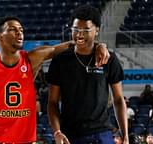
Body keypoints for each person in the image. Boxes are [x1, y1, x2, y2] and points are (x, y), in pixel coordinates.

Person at [0, 16, 110, 144]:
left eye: (21, 30)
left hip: (24, 140)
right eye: (12, 30)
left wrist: (98, 44)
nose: (19, 33)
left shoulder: (32, 59)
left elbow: (71, 45)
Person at [47, 4, 128, 144]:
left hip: (102, 134)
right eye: (76, 29)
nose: (79, 34)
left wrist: (125, 134)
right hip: (70, 135)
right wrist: (57, 131)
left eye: (86, 30)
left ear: (97, 30)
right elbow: (52, 102)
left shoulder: (109, 59)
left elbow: (119, 99)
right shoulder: (60, 60)